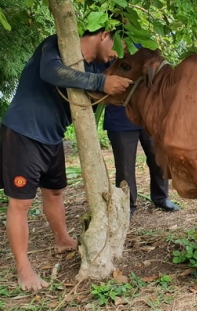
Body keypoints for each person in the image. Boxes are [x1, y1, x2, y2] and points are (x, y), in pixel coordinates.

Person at [0, 28, 133, 291]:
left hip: (53, 137)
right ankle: (23, 267)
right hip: (24, 131)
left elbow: (93, 97)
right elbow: (50, 73)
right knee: (21, 202)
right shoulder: (58, 43)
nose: (116, 56)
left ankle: (62, 239)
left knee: (55, 191)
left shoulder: (95, 69)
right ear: (105, 34)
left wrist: (113, 91)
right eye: (118, 47)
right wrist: (101, 84)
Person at [104, 104, 179, 215]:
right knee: (125, 168)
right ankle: (127, 205)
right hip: (121, 120)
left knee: (159, 161)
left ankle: (161, 197)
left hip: (151, 119)